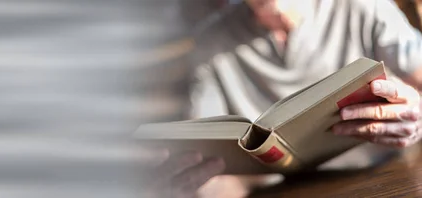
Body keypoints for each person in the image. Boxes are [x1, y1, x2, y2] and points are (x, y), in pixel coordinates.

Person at [148, 0, 422, 197]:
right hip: (283, 190)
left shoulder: (363, 7)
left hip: (387, 175)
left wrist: (416, 114)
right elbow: (219, 176)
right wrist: (194, 187)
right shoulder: (211, 43)